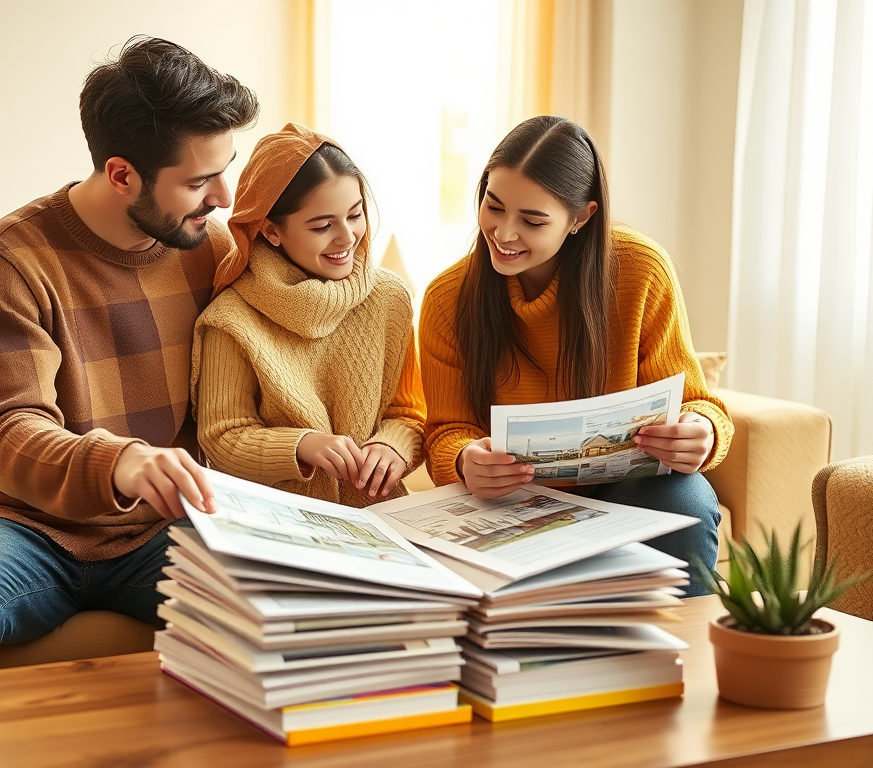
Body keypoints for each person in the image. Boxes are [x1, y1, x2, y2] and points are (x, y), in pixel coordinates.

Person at [0, 36, 259, 680]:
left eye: (226, 168)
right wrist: (122, 462)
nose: (223, 194)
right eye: (198, 180)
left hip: (162, 528)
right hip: (23, 525)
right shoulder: (4, 260)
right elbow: (9, 432)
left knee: (296, 599)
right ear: (121, 174)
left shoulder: (210, 248)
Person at [419, 116, 733, 596]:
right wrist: (465, 459)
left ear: (581, 218)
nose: (503, 233)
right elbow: (446, 431)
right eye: (493, 205)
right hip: (510, 501)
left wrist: (702, 432)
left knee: (685, 498)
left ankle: (678, 655)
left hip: (624, 494)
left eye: (532, 220)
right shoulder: (447, 298)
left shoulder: (640, 270)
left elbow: (696, 401)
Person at [191, 123, 425, 507]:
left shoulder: (390, 298)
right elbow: (222, 437)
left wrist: (394, 446)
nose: (348, 237)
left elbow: (410, 414)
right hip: (279, 523)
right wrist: (302, 446)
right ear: (271, 231)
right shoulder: (232, 318)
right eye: (322, 226)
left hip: (381, 522)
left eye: (355, 214)